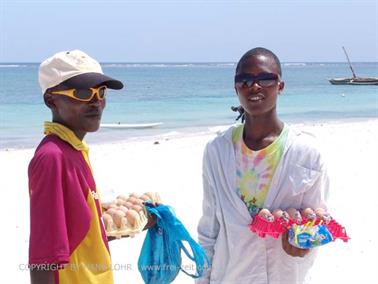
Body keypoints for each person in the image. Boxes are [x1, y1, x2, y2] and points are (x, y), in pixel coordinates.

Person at [197, 47, 329, 284]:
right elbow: (209, 230)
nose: (254, 86)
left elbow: (317, 223)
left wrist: (304, 245)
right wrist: (202, 280)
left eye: (265, 78)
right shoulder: (217, 151)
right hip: (229, 277)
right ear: (235, 88)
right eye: (245, 80)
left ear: (280, 86)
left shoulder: (307, 154)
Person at [28, 50, 154, 284]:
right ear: (51, 100)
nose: (96, 101)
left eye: (101, 92)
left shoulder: (74, 150)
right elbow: (43, 258)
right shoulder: (52, 157)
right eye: (82, 93)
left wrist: (139, 221)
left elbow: (77, 233)